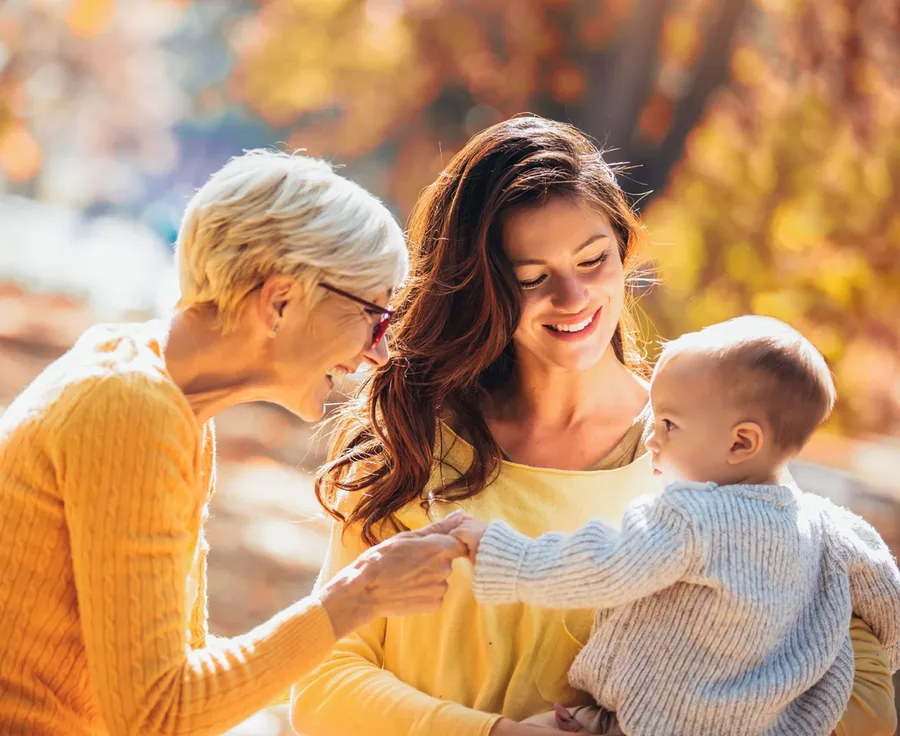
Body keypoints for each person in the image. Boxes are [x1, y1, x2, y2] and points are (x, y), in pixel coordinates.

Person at [289, 115, 897, 736]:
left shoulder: (704, 457)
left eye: (593, 259)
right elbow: (322, 680)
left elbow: (856, 686)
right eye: (532, 278)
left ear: (623, 250)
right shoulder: (415, 446)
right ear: (481, 290)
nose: (573, 296)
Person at [0, 150, 469, 736]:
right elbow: (158, 714)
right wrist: (356, 596)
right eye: (375, 316)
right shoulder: (129, 410)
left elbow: (178, 669)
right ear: (280, 302)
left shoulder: (166, 396)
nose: (380, 350)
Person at [452, 315, 900, 736]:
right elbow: (887, 599)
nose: (651, 436)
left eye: (668, 423)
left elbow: (604, 565)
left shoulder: (690, 518)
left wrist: (504, 553)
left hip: (646, 722)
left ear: (741, 442)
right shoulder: (830, 526)